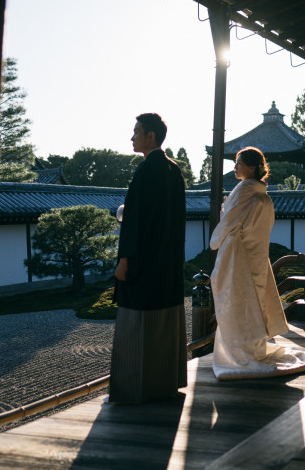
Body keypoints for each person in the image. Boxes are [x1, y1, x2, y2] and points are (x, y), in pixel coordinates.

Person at [209, 146, 305, 380]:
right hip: (257, 254)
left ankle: (242, 352)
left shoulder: (243, 191)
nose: (235, 167)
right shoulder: (263, 195)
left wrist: (216, 239)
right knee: (256, 300)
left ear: (252, 167)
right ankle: (256, 347)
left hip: (239, 255)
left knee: (238, 300)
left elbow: (229, 222)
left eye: (239, 163)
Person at [108, 112, 187, 403]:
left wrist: (125, 261)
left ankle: (134, 389)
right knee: (165, 324)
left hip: (142, 264)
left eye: (136, 131)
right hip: (166, 264)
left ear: (150, 136)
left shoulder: (146, 171)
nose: (132, 137)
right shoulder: (173, 170)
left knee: (136, 326)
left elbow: (135, 222)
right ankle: (165, 382)